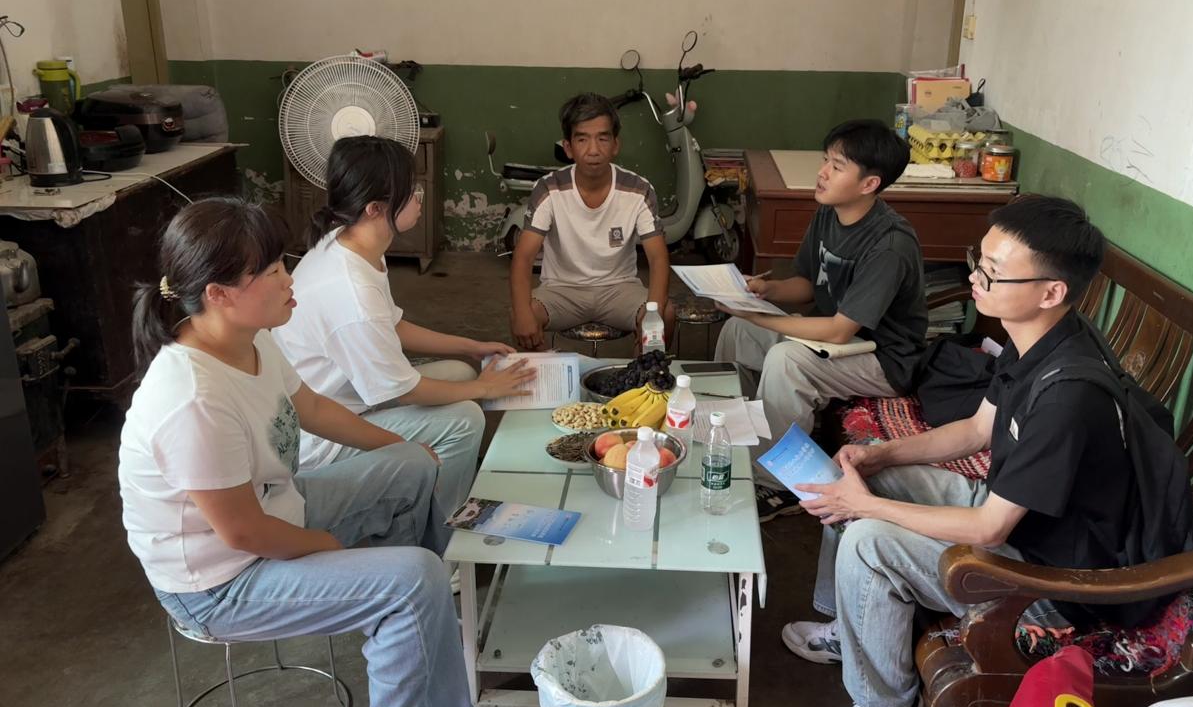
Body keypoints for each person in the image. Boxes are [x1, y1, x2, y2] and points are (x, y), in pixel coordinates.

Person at [118, 197, 482, 707]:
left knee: (413, 467)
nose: (290, 280)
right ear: (219, 294)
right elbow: (244, 534)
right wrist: (326, 547)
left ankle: (413, 629)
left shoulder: (251, 339)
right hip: (220, 583)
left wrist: (402, 447)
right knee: (413, 579)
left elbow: (310, 407)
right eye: (270, 271)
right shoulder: (191, 398)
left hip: (277, 513)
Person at [782, 196, 1136, 707]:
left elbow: (989, 528)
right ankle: (849, 627)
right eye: (980, 261)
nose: (975, 278)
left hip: (1049, 580)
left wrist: (870, 507)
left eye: (993, 272)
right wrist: (880, 455)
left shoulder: (1069, 395)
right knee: (864, 474)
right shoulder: (1034, 340)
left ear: (1051, 292)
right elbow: (977, 429)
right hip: (1021, 522)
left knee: (870, 538)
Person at [273, 136, 535, 525]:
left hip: (351, 396)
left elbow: (392, 325)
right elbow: (403, 389)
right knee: (466, 418)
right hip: (324, 438)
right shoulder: (350, 291)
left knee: (460, 371)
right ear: (375, 208)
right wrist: (485, 388)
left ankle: (434, 492)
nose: (419, 198)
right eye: (411, 192)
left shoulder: (351, 243)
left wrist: (471, 346)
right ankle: (443, 532)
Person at [713, 119, 927, 519]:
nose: (822, 172)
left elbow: (840, 330)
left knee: (787, 360)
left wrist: (763, 318)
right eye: (825, 160)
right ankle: (732, 437)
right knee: (738, 330)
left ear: (869, 184)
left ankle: (777, 484)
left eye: (837, 166)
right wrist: (764, 291)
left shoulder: (889, 245)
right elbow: (808, 285)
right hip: (836, 341)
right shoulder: (830, 214)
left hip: (885, 359)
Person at [509, 92, 675, 350]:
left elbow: (658, 258)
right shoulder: (549, 188)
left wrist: (653, 314)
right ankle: (550, 374)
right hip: (561, 290)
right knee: (521, 315)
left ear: (616, 145)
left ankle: (643, 375)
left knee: (664, 316)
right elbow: (523, 257)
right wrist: (522, 313)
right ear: (568, 148)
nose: (593, 150)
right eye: (582, 139)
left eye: (603, 138)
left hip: (619, 289)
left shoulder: (638, 189)